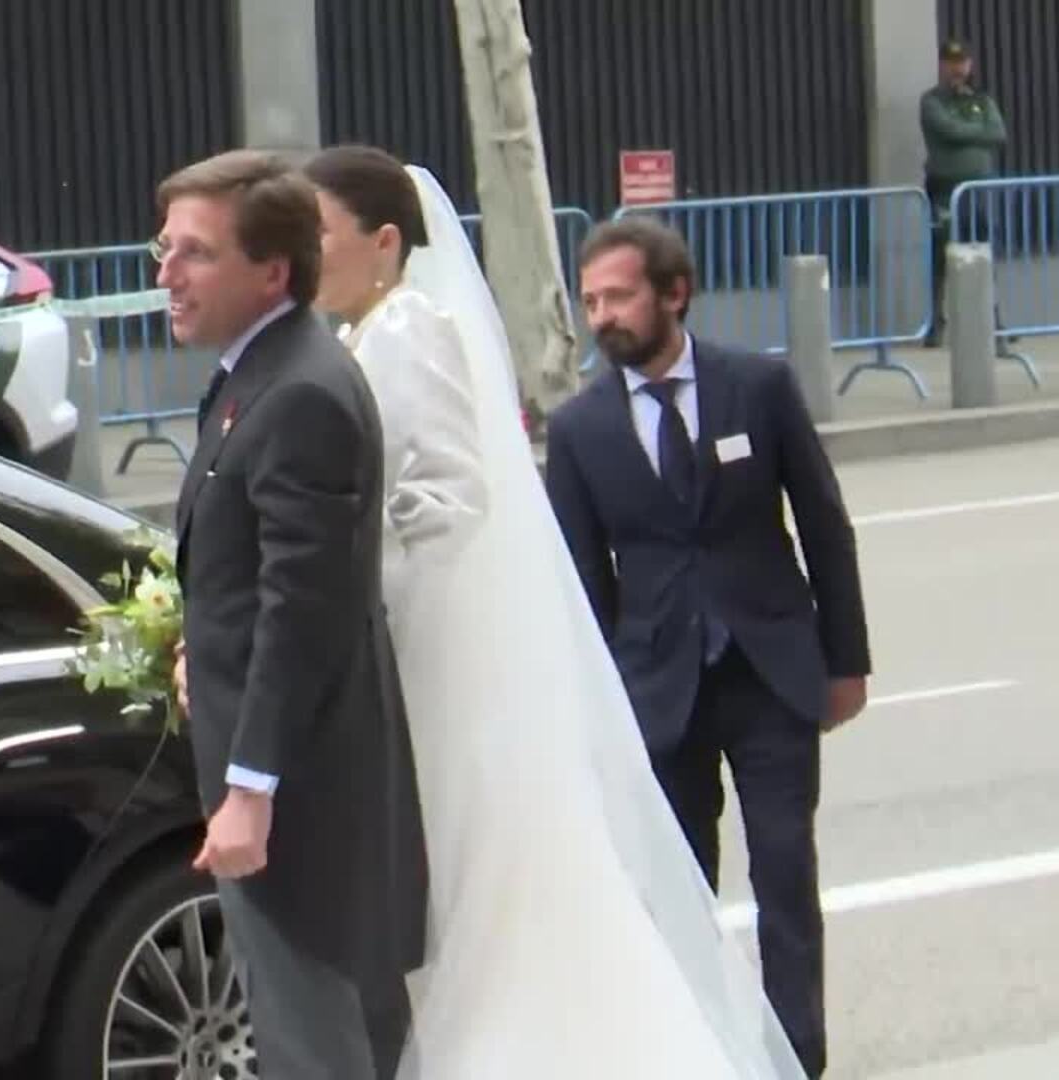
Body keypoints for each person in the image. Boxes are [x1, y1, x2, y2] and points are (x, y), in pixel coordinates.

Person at [301, 143, 809, 1079]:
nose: (305, 252)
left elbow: (449, 496)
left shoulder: (408, 328)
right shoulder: (359, 336)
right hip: (418, 647)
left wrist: (353, 568)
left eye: (320, 233)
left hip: (434, 639)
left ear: (383, 242)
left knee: (485, 869)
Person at [544, 216, 873, 1079]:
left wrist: (846, 661)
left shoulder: (757, 387)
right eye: (591, 302)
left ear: (674, 293)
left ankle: (796, 1058)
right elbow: (583, 581)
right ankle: (699, 1051)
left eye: (619, 297)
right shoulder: (579, 429)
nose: (603, 316)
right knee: (681, 888)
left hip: (770, 673)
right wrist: (601, 704)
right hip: (661, 689)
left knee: (785, 873)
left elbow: (824, 525)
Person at [158, 149, 428, 1080]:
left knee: (319, 1044)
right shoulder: (258, 372)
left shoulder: (302, 389)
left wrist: (249, 790)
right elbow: (245, 570)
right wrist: (200, 647)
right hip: (275, 780)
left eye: (196, 253)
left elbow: (303, 610)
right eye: (164, 249)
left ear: (272, 272)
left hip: (300, 803)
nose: (167, 273)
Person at [920, 37, 1007, 347]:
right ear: (942, 66)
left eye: (962, 63)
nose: (957, 69)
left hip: (978, 190)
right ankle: (935, 322)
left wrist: (971, 129)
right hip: (945, 190)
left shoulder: (982, 99)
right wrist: (977, 130)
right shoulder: (932, 101)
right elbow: (948, 130)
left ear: (969, 65)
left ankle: (993, 320)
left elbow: (998, 132)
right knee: (941, 257)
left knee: (984, 254)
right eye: (951, 63)